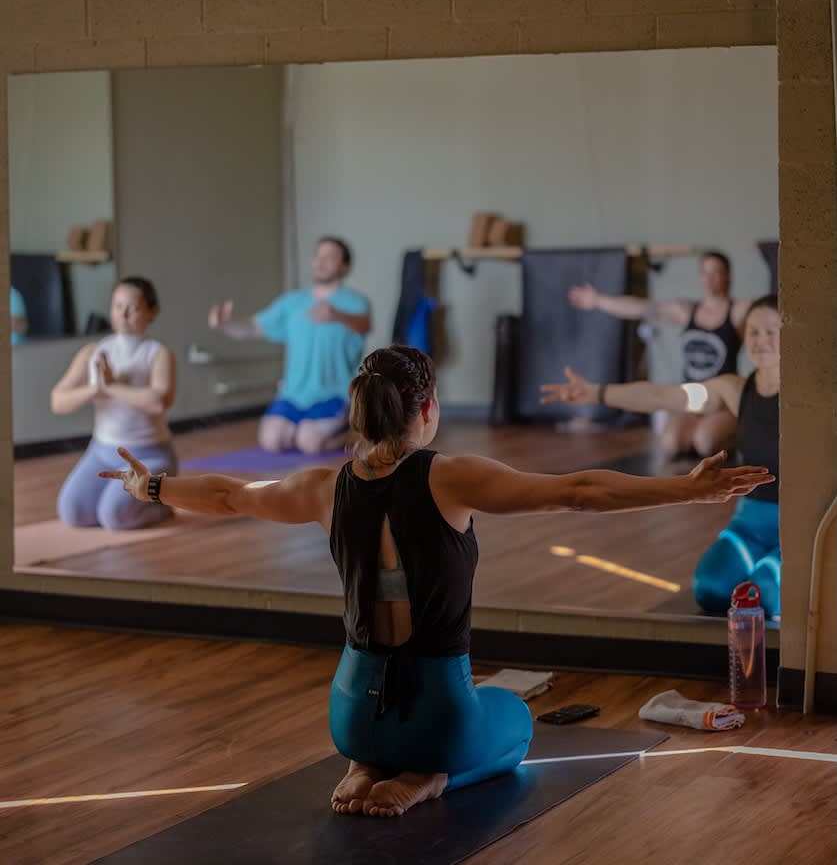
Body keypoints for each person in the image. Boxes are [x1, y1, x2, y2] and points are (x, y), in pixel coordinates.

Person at [102, 345, 772, 818]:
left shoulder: (320, 487)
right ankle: (426, 780)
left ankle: (366, 768)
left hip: (348, 712)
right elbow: (578, 490)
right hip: (439, 718)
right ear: (424, 409)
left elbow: (227, 494)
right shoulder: (451, 476)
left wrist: (152, 484)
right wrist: (686, 490)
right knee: (513, 720)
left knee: (394, 729)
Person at [541, 294, 780, 619]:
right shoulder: (734, 390)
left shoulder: (813, 397)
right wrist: (597, 393)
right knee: (710, 588)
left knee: (765, 594)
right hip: (749, 522)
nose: (760, 340)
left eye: (771, 331)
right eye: (753, 331)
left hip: (798, 526)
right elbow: (665, 396)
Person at [568, 251, 751, 459]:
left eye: (716, 273)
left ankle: (733, 434)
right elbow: (644, 308)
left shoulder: (739, 311)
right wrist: (598, 300)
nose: (709, 279)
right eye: (705, 273)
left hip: (722, 399)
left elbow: (770, 312)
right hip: (692, 397)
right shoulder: (688, 310)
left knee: (705, 442)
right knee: (671, 443)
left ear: (728, 276)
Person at [209, 237, 371, 455]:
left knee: (309, 442)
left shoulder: (355, 302)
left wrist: (337, 315)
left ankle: (350, 431)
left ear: (344, 266)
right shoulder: (292, 302)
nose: (321, 261)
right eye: (318, 255)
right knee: (271, 440)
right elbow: (252, 328)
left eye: (330, 257)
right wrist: (226, 323)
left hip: (334, 394)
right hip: (293, 394)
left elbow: (365, 325)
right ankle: (306, 427)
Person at [51, 276, 177, 531]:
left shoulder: (157, 353)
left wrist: (113, 387)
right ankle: (126, 499)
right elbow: (58, 400)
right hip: (101, 453)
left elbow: (159, 402)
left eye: (133, 308)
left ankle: (162, 506)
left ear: (152, 312)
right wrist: (95, 389)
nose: (124, 314)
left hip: (148, 456)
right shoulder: (93, 352)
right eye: (118, 306)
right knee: (73, 512)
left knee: (114, 517)